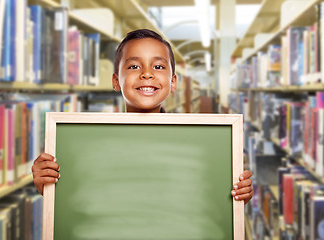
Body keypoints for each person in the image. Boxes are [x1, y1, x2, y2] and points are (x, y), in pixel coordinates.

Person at [32, 29, 253, 204]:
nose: (147, 73)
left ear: (173, 82)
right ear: (116, 80)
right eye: (134, 66)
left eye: (158, 66)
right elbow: (79, 199)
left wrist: (236, 196)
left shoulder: (202, 145)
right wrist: (50, 187)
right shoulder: (84, 144)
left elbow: (207, 198)